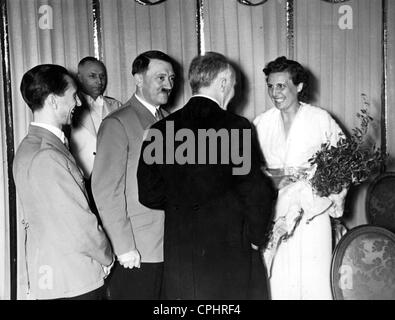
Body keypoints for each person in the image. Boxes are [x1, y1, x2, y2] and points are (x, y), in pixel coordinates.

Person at [137, 52, 275, 299]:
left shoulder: (160, 130)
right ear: (222, 83)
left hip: (180, 253)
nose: (233, 92)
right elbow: (257, 191)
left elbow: (148, 194)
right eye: (232, 85)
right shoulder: (236, 127)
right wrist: (256, 237)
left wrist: (184, 204)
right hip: (228, 250)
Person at [13, 64, 113, 300]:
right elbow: (79, 224)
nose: (78, 103)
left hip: (53, 278)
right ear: (53, 101)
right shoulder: (47, 155)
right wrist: (107, 256)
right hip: (75, 280)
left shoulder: (29, 147)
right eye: (72, 96)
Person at [253, 56, 346, 300]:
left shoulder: (320, 119)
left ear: (299, 87)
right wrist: (271, 180)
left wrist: (324, 188)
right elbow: (249, 172)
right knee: (279, 279)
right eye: (270, 86)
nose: (275, 93)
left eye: (281, 86)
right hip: (276, 212)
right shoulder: (261, 124)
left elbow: (344, 165)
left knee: (315, 279)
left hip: (311, 213)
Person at [91, 50, 176, 299]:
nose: (168, 84)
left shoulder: (170, 121)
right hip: (137, 249)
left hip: (168, 244)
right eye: (160, 77)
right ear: (138, 79)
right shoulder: (118, 123)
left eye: (171, 78)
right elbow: (106, 190)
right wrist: (124, 246)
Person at [70, 56, 122, 179]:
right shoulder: (70, 108)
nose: (99, 81)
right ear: (79, 78)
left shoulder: (117, 106)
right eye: (92, 76)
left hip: (113, 176)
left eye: (102, 76)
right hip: (82, 177)